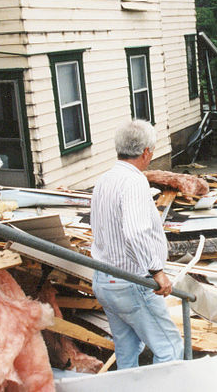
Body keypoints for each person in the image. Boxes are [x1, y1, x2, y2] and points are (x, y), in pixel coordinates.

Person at [90, 119, 182, 369]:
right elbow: (135, 232)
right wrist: (157, 271)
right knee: (170, 349)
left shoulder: (104, 180)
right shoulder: (134, 182)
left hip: (104, 278)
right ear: (146, 152)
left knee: (128, 347)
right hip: (131, 281)